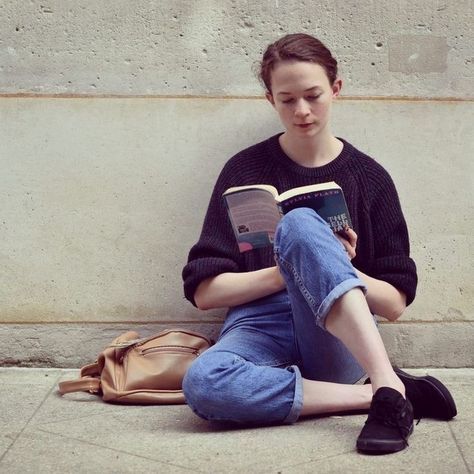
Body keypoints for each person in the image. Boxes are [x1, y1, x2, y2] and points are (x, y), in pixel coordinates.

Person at [181, 33, 456, 454]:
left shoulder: (370, 178)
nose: (302, 111)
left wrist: (336, 264)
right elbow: (204, 293)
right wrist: (288, 268)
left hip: (337, 334)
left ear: (336, 89)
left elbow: (396, 303)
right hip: (259, 327)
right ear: (270, 99)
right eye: (287, 99)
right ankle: (385, 393)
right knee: (203, 383)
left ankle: (381, 382)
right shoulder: (243, 169)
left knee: (300, 225)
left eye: (313, 95)